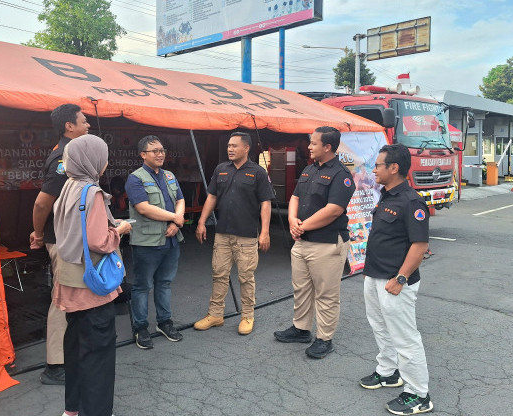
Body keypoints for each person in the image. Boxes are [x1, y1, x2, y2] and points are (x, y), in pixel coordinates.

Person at [53, 134, 131, 416]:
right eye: (104, 156)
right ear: (93, 160)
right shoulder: (93, 192)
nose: (106, 162)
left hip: (70, 280)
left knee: (75, 350)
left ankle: (73, 411)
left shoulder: (67, 187)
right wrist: (119, 230)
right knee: (98, 354)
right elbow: (99, 241)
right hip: (92, 286)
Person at [359, 144, 434, 416]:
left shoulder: (411, 201)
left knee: (405, 337)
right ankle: (388, 372)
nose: (374, 169)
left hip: (395, 282)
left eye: (378, 165)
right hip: (375, 276)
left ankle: (418, 394)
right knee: (380, 327)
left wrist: (400, 278)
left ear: (394, 168)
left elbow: (419, 245)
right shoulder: (387, 195)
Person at [274, 126, 355, 359]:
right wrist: (291, 220)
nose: (308, 147)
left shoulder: (341, 175)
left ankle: (324, 338)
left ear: (327, 147)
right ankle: (301, 329)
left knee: (326, 294)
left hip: (327, 244)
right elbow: (296, 197)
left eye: (313, 143)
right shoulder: (310, 169)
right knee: (301, 289)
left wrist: (302, 226)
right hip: (302, 242)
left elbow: (334, 210)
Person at [30, 104, 90, 385]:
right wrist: (38, 234)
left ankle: (74, 353)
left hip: (76, 239)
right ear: (69, 126)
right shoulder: (63, 159)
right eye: (83, 120)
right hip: (64, 241)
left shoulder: (76, 152)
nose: (88, 124)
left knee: (76, 297)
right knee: (63, 300)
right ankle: (55, 366)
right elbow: (43, 202)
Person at [193, 132, 274, 335]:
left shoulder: (257, 172)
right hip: (222, 234)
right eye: (228, 145)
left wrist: (264, 232)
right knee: (219, 274)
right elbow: (212, 197)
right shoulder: (221, 169)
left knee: (246, 277)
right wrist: (202, 222)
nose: (230, 149)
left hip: (247, 235)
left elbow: (266, 203)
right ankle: (215, 315)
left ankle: (247, 316)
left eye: (234, 146)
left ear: (246, 148)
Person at [126, 135, 185, 350]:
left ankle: (164, 322)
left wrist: (177, 223)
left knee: (165, 283)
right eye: (154, 151)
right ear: (143, 155)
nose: (160, 154)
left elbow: (180, 199)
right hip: (147, 243)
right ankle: (140, 327)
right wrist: (174, 218)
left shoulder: (169, 175)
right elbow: (143, 207)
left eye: (162, 150)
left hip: (171, 240)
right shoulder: (135, 178)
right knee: (142, 286)